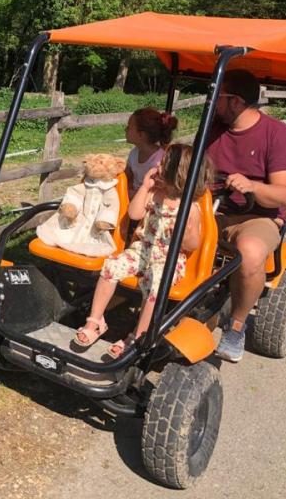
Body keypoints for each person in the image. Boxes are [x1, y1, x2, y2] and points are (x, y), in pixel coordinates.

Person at [74, 143, 213, 356]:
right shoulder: (155, 193)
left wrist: (184, 232)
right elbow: (135, 214)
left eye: (164, 162)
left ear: (178, 172)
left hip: (169, 258)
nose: (157, 164)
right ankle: (95, 321)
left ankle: (139, 336)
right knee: (111, 266)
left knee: (157, 282)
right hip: (142, 249)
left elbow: (192, 245)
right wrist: (145, 187)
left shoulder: (190, 208)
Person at [207, 69, 286, 363]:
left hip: (257, 217)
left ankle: (236, 326)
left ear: (235, 101)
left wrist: (253, 186)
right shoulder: (212, 129)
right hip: (211, 209)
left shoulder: (279, 135)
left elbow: (284, 194)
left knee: (248, 253)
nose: (212, 103)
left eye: (217, 97)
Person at [125, 108, 178, 196]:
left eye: (129, 127)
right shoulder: (134, 153)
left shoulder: (160, 161)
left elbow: (157, 193)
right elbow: (126, 177)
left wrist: (130, 194)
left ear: (141, 135)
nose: (125, 129)